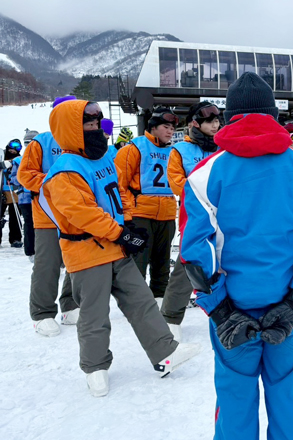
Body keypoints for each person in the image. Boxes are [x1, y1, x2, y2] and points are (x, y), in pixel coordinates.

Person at [180, 72, 293, 440]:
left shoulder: (203, 176)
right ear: (274, 116)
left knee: (234, 403)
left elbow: (196, 252)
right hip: (289, 306)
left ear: (229, 117)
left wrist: (219, 310)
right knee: (290, 399)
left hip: (232, 309)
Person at [40, 99, 199, 397]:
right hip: (87, 253)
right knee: (95, 314)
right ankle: (95, 367)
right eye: (89, 125)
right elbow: (82, 213)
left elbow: (118, 193)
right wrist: (121, 233)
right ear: (71, 130)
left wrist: (128, 222)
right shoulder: (65, 171)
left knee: (142, 301)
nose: (96, 129)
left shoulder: (102, 158)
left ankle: (165, 351)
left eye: (97, 123)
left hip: (115, 247)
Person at [17, 96, 79, 337]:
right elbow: (25, 175)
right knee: (48, 264)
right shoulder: (41, 142)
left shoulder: (82, 141)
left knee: (76, 262)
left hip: (77, 214)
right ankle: (42, 313)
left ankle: (70, 305)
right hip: (47, 215)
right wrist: (56, 182)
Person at [162, 101, 220, 341]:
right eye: (210, 121)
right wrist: (209, 189)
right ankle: (170, 316)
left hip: (224, 216)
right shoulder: (180, 151)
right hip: (196, 217)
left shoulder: (224, 147)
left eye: (217, 121)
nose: (215, 125)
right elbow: (177, 183)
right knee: (188, 265)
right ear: (195, 123)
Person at [115, 107, 178, 301]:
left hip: (167, 214)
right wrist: (127, 214)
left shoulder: (174, 152)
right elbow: (119, 184)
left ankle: (159, 298)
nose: (170, 132)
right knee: (138, 262)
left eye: (172, 128)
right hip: (140, 214)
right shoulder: (133, 148)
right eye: (166, 127)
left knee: (162, 263)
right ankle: (136, 301)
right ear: (153, 127)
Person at [11, 132, 37, 261]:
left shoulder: (42, 158)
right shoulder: (18, 160)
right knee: (30, 223)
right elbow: (14, 179)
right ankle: (31, 251)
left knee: (43, 225)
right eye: (27, 142)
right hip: (26, 198)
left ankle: (43, 250)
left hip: (40, 197)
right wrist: (25, 178)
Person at [1, 139, 24, 248]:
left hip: (14, 191)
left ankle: (15, 239)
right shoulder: (2, 158)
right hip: (2, 191)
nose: (14, 149)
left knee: (15, 217)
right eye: (12, 146)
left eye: (17, 147)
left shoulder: (19, 160)